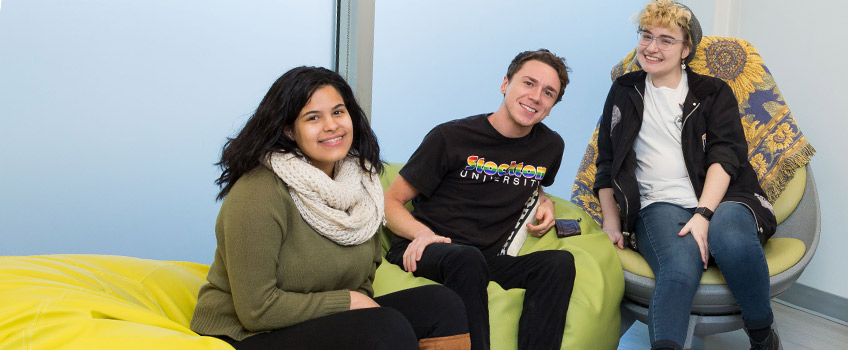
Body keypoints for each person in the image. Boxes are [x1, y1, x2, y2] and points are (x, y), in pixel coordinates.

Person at [190, 66, 470, 350]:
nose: (331, 125)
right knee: (385, 327)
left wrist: (351, 303)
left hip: (314, 322)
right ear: (288, 130)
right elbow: (256, 310)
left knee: (441, 304)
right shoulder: (259, 192)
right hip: (244, 335)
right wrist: (348, 301)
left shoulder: (362, 189)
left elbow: (361, 285)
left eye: (338, 112)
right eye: (313, 117)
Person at [594, 1, 780, 349]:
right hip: (658, 204)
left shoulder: (712, 92)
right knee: (678, 269)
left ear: (686, 49)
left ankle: (763, 337)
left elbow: (726, 157)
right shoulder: (623, 90)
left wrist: (704, 213)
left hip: (726, 198)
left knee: (730, 237)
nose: (652, 47)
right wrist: (611, 222)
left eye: (666, 40)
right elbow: (606, 163)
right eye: (646, 36)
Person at [384, 49, 576, 350]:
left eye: (548, 92)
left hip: (485, 259)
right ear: (505, 84)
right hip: (429, 248)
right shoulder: (450, 137)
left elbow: (534, 183)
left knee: (559, 262)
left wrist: (545, 202)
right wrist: (423, 235)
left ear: (552, 106)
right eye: (528, 83)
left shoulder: (550, 146)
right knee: (466, 258)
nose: (536, 96)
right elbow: (390, 201)